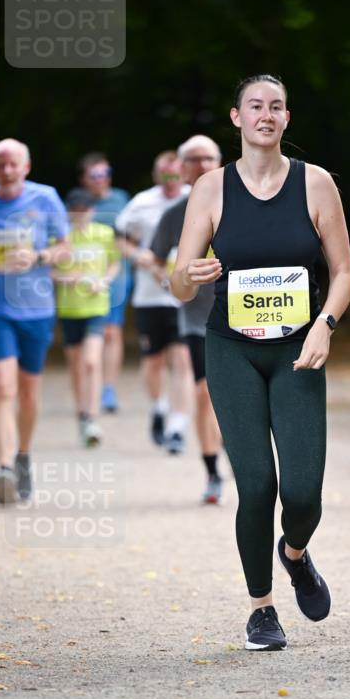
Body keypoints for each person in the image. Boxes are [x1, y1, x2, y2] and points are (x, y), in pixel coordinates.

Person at [172, 74, 350, 652]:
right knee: (256, 486)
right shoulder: (211, 188)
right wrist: (189, 274)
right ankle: (261, 609)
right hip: (232, 348)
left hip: (299, 349)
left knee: (302, 493)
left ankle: (294, 553)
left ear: (286, 118)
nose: (266, 115)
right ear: (237, 117)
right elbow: (178, 282)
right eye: (255, 106)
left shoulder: (315, 183)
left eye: (276, 106)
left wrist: (325, 325)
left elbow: (344, 272)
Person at [0, 138, 69, 504]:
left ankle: (22, 456)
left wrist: (38, 256)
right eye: (0, 163)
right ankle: (4, 469)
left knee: (28, 392)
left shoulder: (45, 198)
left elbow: (66, 249)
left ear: (26, 167)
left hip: (36, 309)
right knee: (3, 387)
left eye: (13, 163)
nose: (7, 169)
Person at [150, 134, 224, 502]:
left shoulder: (243, 204)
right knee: (204, 394)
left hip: (244, 315)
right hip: (197, 318)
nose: (202, 165)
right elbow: (155, 259)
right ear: (181, 168)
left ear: (219, 162)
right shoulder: (173, 215)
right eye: (193, 159)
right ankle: (212, 473)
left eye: (208, 158)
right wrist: (172, 282)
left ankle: (237, 449)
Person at [115, 152, 193, 454]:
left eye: (176, 174)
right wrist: (139, 256)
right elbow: (119, 237)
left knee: (182, 360)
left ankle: (177, 427)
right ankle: (158, 407)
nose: (171, 181)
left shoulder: (195, 197)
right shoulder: (142, 202)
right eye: (165, 175)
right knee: (153, 361)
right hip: (149, 296)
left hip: (184, 295)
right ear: (156, 175)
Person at [54, 188, 121, 446]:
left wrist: (104, 280)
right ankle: (81, 413)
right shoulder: (60, 237)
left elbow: (115, 263)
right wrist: (65, 278)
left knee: (92, 361)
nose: (80, 216)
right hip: (69, 308)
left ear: (92, 211)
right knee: (76, 365)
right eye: (76, 211)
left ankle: (92, 417)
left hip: (96, 306)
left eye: (85, 211)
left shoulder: (104, 234)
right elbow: (48, 269)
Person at [72, 152, 131, 413]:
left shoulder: (121, 199)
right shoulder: (76, 202)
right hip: (81, 279)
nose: (100, 179)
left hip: (116, 275)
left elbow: (133, 234)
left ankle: (109, 388)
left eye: (105, 173)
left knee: (111, 331)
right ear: (84, 179)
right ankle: (86, 389)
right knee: (85, 337)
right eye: (94, 175)